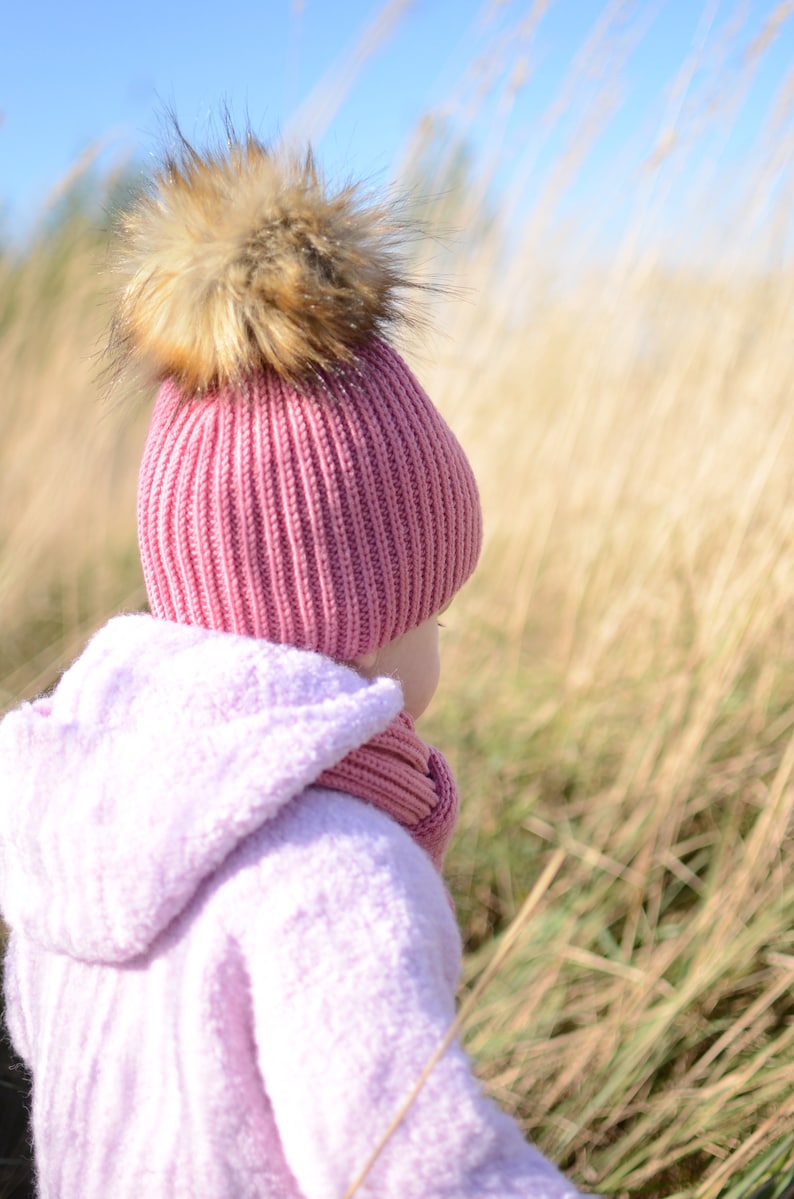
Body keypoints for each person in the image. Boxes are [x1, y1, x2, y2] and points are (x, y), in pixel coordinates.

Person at [0, 132, 587, 1198]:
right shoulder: (333, 873)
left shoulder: (72, 820)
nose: (441, 643)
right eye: (432, 613)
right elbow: (419, 1166)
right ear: (351, 623)